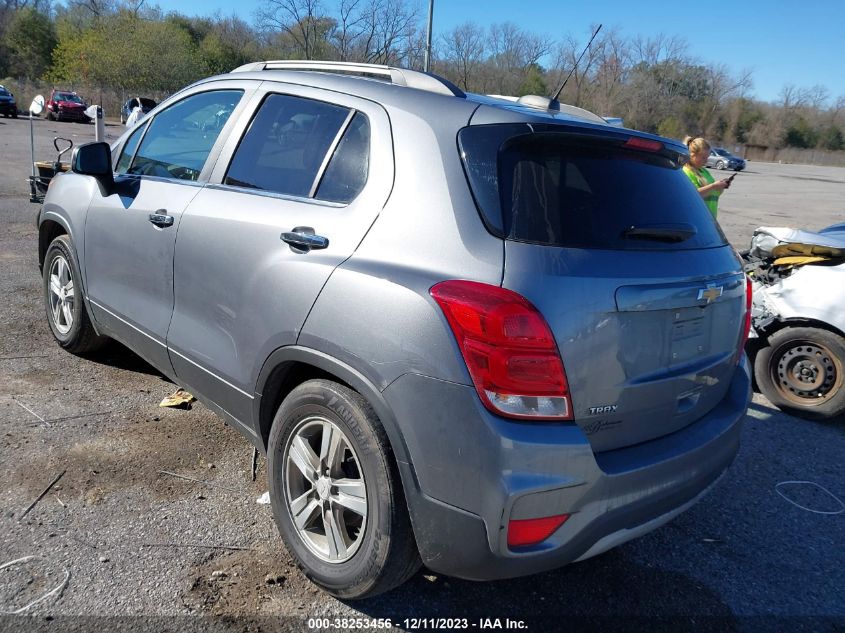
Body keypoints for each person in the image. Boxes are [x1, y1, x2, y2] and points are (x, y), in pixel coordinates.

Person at [682, 136, 732, 218]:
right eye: (703, 157)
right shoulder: (686, 171)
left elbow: (713, 194)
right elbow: (693, 195)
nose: (706, 160)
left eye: (707, 157)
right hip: (696, 218)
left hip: (709, 219)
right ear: (692, 155)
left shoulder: (704, 171)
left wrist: (721, 187)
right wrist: (713, 186)